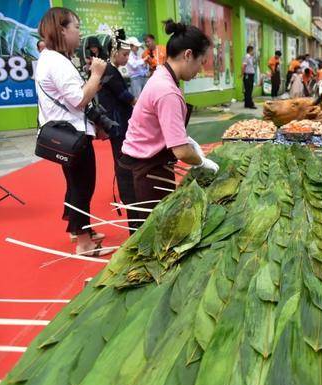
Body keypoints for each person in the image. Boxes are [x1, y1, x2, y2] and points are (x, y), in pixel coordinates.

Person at [120, 19, 219, 218]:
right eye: (201, 62)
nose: (200, 70)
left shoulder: (162, 76)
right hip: (145, 170)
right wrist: (201, 161)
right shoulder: (168, 91)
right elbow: (181, 151)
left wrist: (185, 138)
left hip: (138, 164)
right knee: (152, 236)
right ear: (188, 55)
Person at [36, 7, 113, 256]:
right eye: (76, 27)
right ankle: (84, 243)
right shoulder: (57, 62)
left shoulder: (51, 58)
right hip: (73, 135)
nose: (79, 34)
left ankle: (81, 229)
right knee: (83, 185)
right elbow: (79, 99)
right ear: (61, 29)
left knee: (76, 184)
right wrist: (97, 74)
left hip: (68, 132)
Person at [97, 31, 138, 233]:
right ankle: (127, 193)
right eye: (124, 55)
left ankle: (128, 191)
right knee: (122, 161)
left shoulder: (112, 70)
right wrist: (139, 103)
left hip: (119, 122)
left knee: (122, 158)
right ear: (114, 52)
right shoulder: (110, 71)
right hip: (117, 123)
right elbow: (124, 96)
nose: (127, 58)